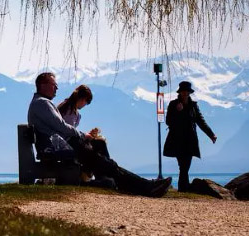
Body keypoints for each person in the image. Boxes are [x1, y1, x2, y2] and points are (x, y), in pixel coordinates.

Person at [28, 72, 171, 197]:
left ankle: (143, 185)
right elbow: (61, 126)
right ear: (42, 85)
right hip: (64, 147)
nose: (56, 88)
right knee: (108, 165)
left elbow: (59, 127)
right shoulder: (42, 103)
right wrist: (83, 135)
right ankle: (146, 187)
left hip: (62, 146)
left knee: (107, 164)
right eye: (54, 85)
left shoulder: (41, 103)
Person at [163, 80, 217, 192]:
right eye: (183, 91)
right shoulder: (173, 104)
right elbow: (168, 121)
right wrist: (178, 112)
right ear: (180, 92)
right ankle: (184, 188)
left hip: (190, 140)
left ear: (189, 92)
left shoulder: (193, 106)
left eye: (186, 91)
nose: (185, 93)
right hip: (177, 140)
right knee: (183, 166)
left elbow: (201, 121)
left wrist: (211, 134)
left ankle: (183, 188)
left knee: (185, 166)